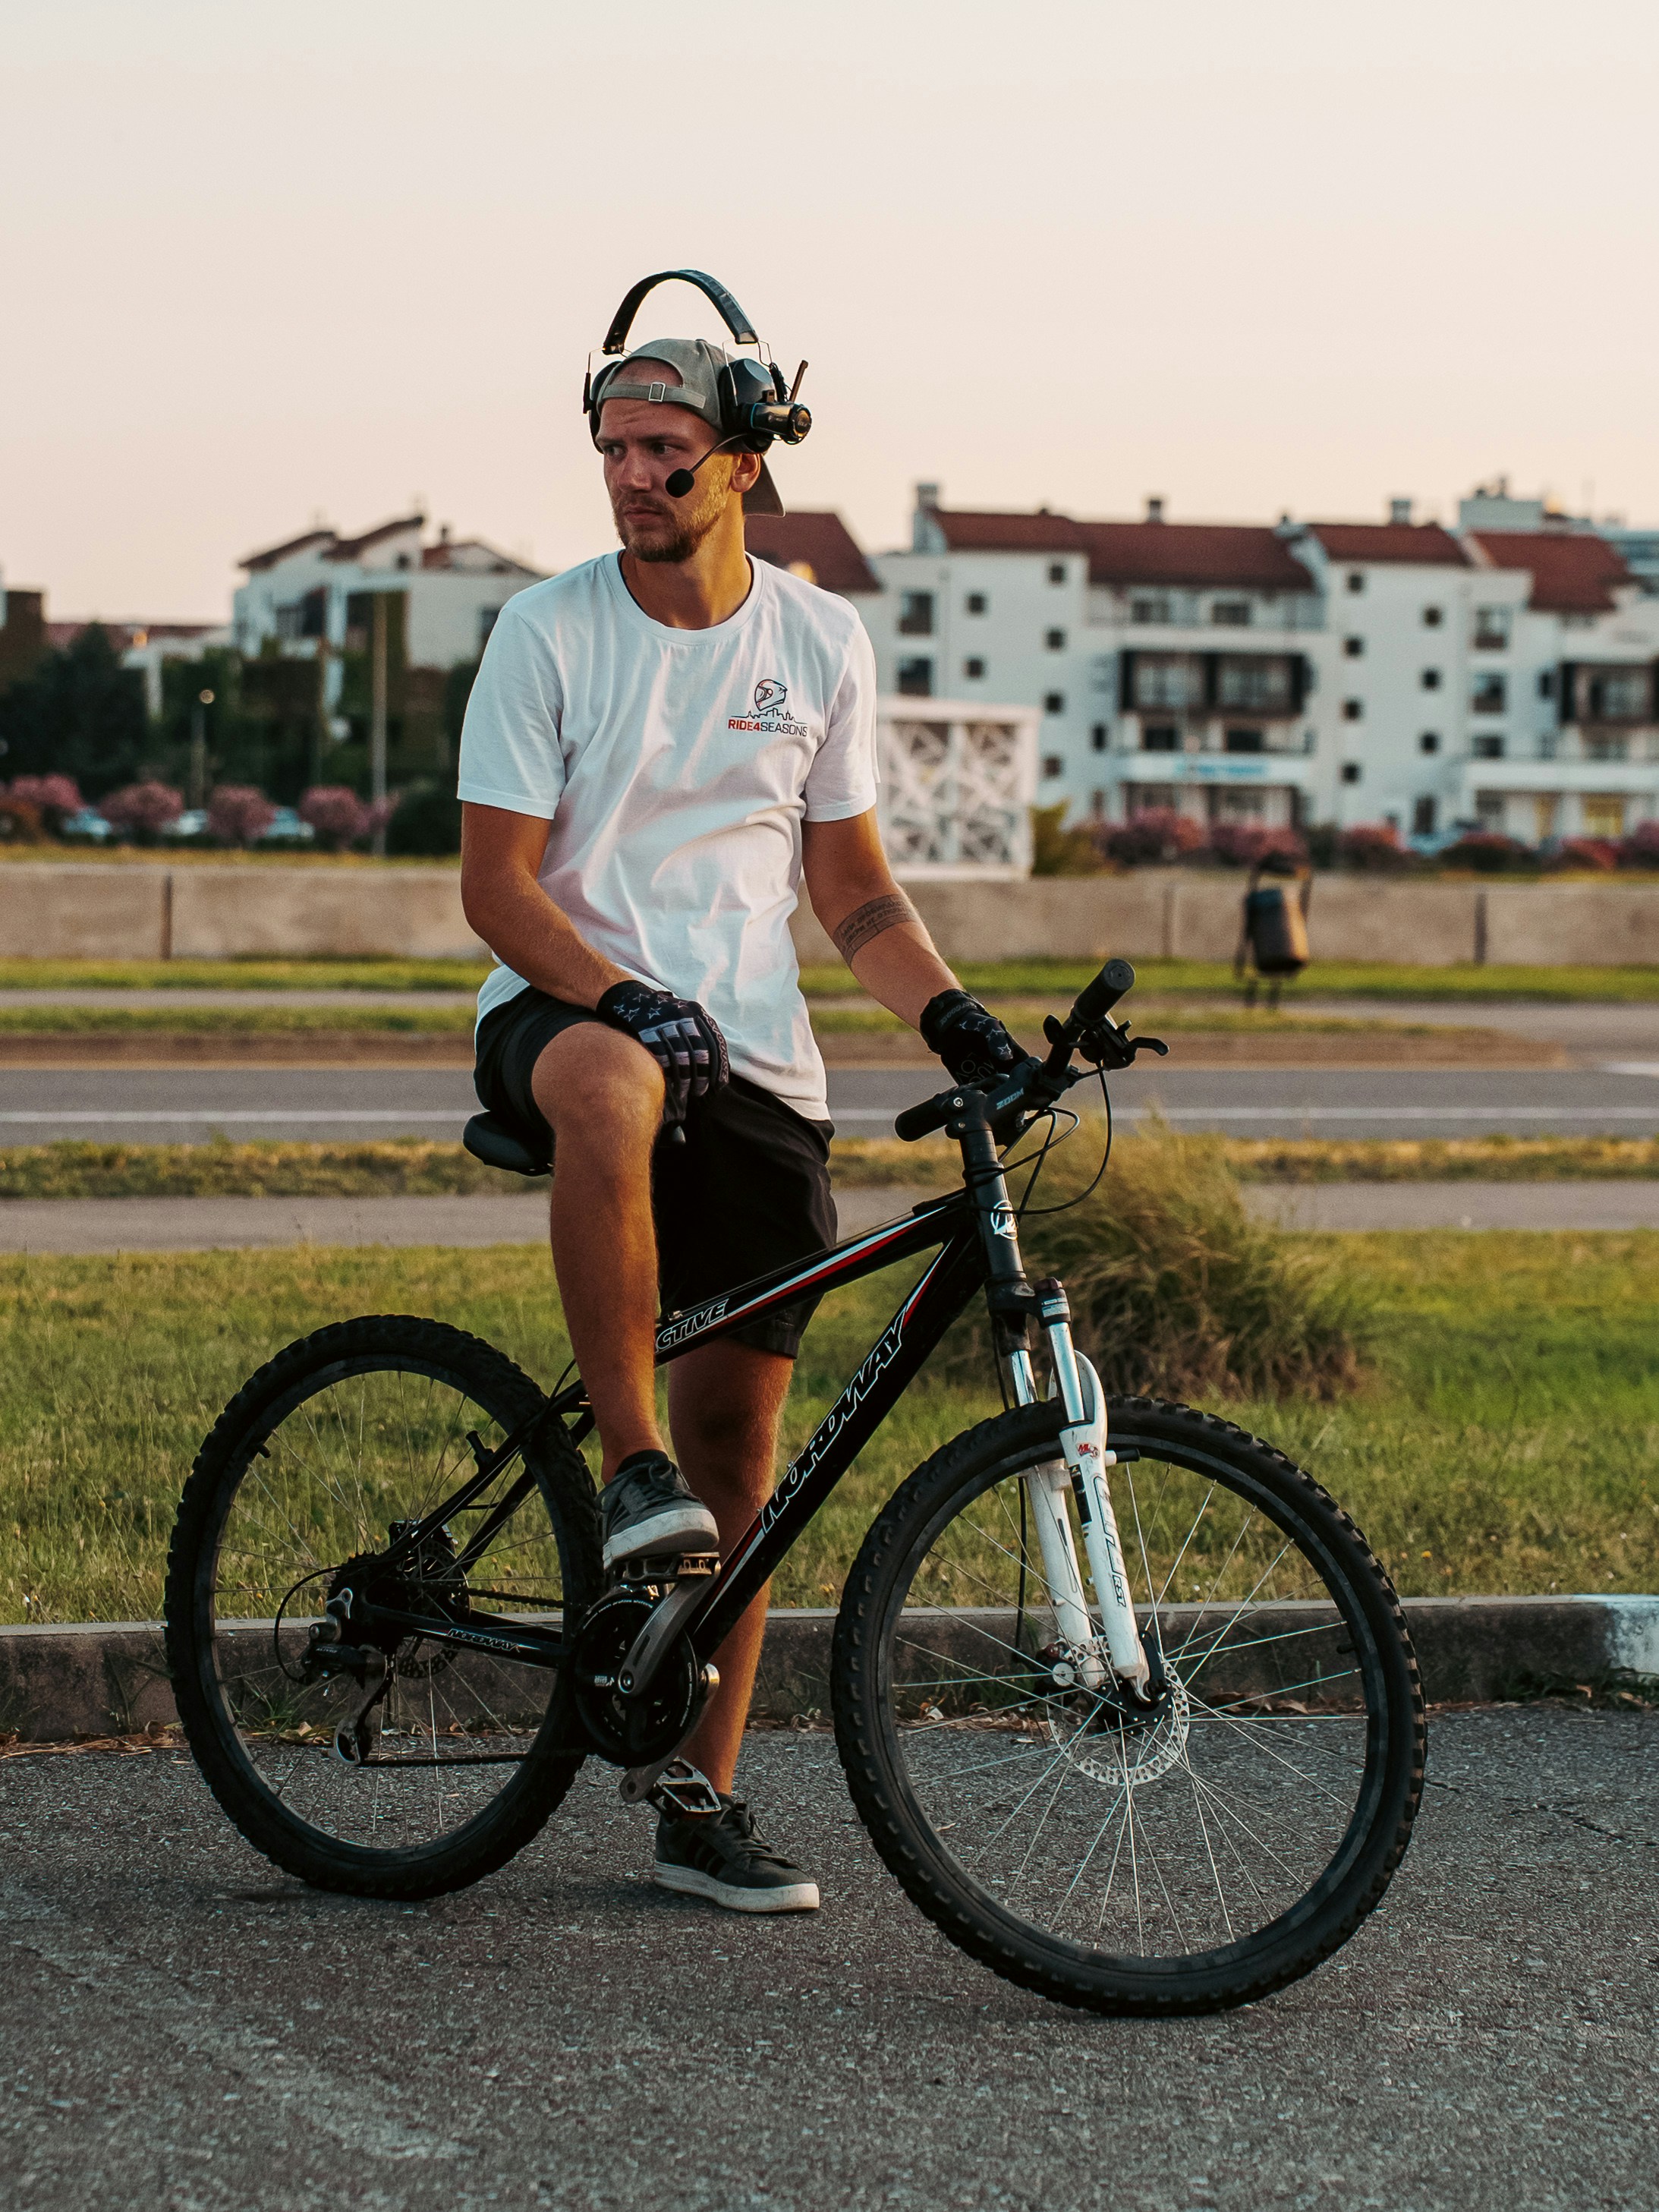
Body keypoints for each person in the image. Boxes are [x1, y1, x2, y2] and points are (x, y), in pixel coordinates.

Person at [457, 329, 1024, 1914]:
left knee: (748, 1453)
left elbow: (850, 891)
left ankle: (692, 1789)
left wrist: (954, 1016)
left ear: (746, 461)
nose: (636, 478)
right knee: (615, 1083)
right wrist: (619, 993)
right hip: (564, 1011)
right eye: (615, 452)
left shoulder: (818, 639)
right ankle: (622, 1462)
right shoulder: (547, 630)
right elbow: (496, 882)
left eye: (667, 453)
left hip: (758, 1066)